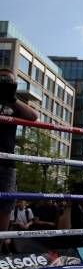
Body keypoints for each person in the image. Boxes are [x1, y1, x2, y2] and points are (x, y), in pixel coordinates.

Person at [0, 68, 37, 252]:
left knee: (5, 208)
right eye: (2, 79)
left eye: (9, 80)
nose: (5, 81)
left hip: (6, 162)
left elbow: (33, 117)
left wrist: (12, 98)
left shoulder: (14, 104)